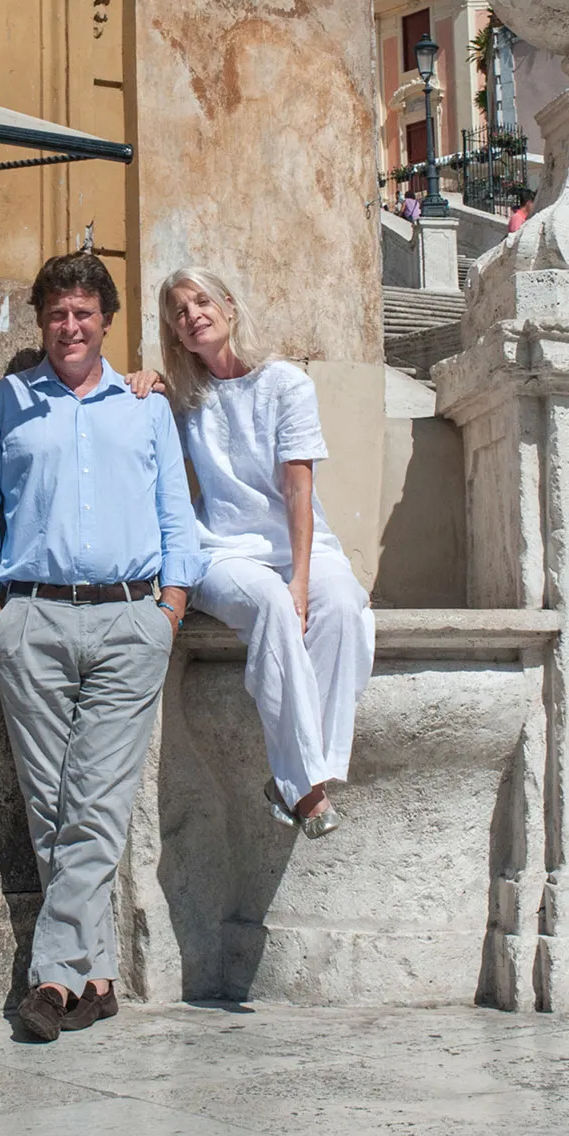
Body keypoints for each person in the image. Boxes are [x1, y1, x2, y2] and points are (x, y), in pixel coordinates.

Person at [0, 251, 204, 1043]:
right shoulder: (6, 404)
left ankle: (52, 982)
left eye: (84, 313)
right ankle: (98, 978)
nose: (70, 326)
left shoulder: (146, 408)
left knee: (92, 802)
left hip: (132, 621)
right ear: (42, 322)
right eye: (57, 313)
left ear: (105, 321)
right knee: (54, 806)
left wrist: (171, 608)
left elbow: (176, 513)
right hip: (34, 621)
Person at [131, 269, 375, 838]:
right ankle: (306, 790)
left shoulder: (286, 384)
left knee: (340, 605)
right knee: (270, 603)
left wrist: (302, 579)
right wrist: (146, 380)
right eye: (178, 312)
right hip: (220, 551)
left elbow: (298, 488)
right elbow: (139, 404)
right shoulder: (186, 398)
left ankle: (293, 779)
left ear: (229, 306)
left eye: (201, 301)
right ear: (176, 334)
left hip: (296, 545)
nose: (192, 314)